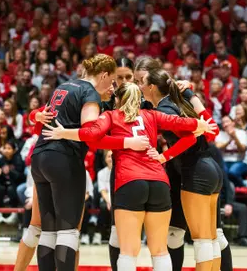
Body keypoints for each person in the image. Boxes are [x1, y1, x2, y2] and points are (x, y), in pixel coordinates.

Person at [42, 83, 214, 271]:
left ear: (118, 100)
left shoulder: (110, 115)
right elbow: (182, 123)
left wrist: (63, 132)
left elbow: (91, 135)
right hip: (159, 182)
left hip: (130, 182)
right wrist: (200, 124)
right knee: (160, 251)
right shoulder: (153, 115)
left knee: (128, 252)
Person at [30, 54, 147, 271]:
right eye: (111, 80)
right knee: (67, 231)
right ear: (103, 75)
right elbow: (91, 134)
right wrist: (127, 142)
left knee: (48, 230)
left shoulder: (63, 86)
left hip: (39, 157)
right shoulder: (89, 93)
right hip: (63, 159)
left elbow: (42, 118)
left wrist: (32, 117)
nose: (112, 86)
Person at [138, 68, 224, 271]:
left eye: (142, 82)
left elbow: (190, 137)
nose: (139, 86)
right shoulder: (179, 102)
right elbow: (213, 130)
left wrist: (163, 156)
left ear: (151, 87)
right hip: (211, 169)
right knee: (211, 238)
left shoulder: (166, 109)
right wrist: (191, 95)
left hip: (196, 171)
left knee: (202, 239)